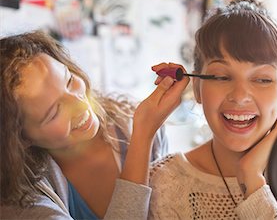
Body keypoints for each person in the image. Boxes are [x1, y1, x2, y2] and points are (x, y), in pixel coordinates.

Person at [148, 0, 277, 219]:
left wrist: (253, 180)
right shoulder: (166, 183)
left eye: (262, 79)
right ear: (197, 88)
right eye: (221, 77)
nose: (240, 96)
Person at [0, 30, 190, 219]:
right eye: (54, 112)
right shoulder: (19, 200)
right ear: (20, 139)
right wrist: (143, 135)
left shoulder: (129, 126)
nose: (81, 103)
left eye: (69, 80)